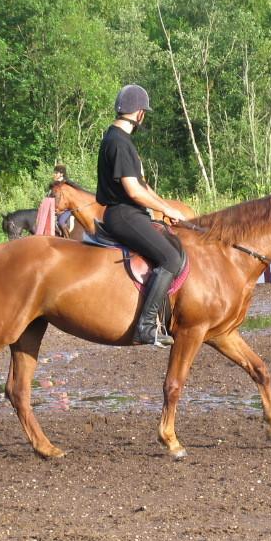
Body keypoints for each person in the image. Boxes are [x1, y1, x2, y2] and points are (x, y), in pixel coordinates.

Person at [96, 84, 186, 346]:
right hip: (123, 214)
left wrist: (165, 207)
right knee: (169, 257)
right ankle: (146, 326)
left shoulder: (117, 139)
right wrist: (166, 209)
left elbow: (144, 187)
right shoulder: (120, 143)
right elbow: (133, 191)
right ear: (140, 115)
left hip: (129, 212)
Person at [51, 163, 74, 236]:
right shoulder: (55, 185)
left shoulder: (66, 184)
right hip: (57, 210)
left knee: (61, 222)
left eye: (56, 173)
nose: (54, 174)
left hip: (67, 210)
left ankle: (67, 238)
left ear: (61, 174)